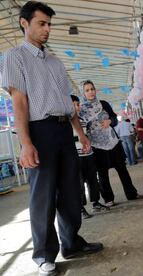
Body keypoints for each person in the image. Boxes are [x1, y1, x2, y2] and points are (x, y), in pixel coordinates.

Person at [0, 2, 103, 275]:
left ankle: (71, 243)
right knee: (43, 195)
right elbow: (19, 102)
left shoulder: (56, 62)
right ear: (25, 23)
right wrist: (26, 143)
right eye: (41, 23)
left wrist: (80, 134)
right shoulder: (15, 57)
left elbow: (69, 104)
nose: (47, 29)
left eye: (49, 24)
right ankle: (44, 255)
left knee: (71, 191)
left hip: (63, 131)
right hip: (39, 130)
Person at [79, 80, 143, 207]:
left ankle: (131, 194)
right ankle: (108, 199)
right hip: (97, 146)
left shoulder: (103, 104)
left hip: (113, 142)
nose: (91, 92)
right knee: (102, 174)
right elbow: (81, 129)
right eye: (87, 90)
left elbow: (115, 120)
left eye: (92, 89)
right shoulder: (81, 111)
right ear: (83, 93)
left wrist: (109, 121)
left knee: (122, 169)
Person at [71, 95, 109, 219]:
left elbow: (87, 135)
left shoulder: (83, 120)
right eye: (74, 104)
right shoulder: (66, 122)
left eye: (78, 104)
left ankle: (96, 202)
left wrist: (89, 144)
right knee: (79, 183)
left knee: (93, 180)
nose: (78, 106)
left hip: (89, 154)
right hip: (77, 157)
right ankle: (80, 208)